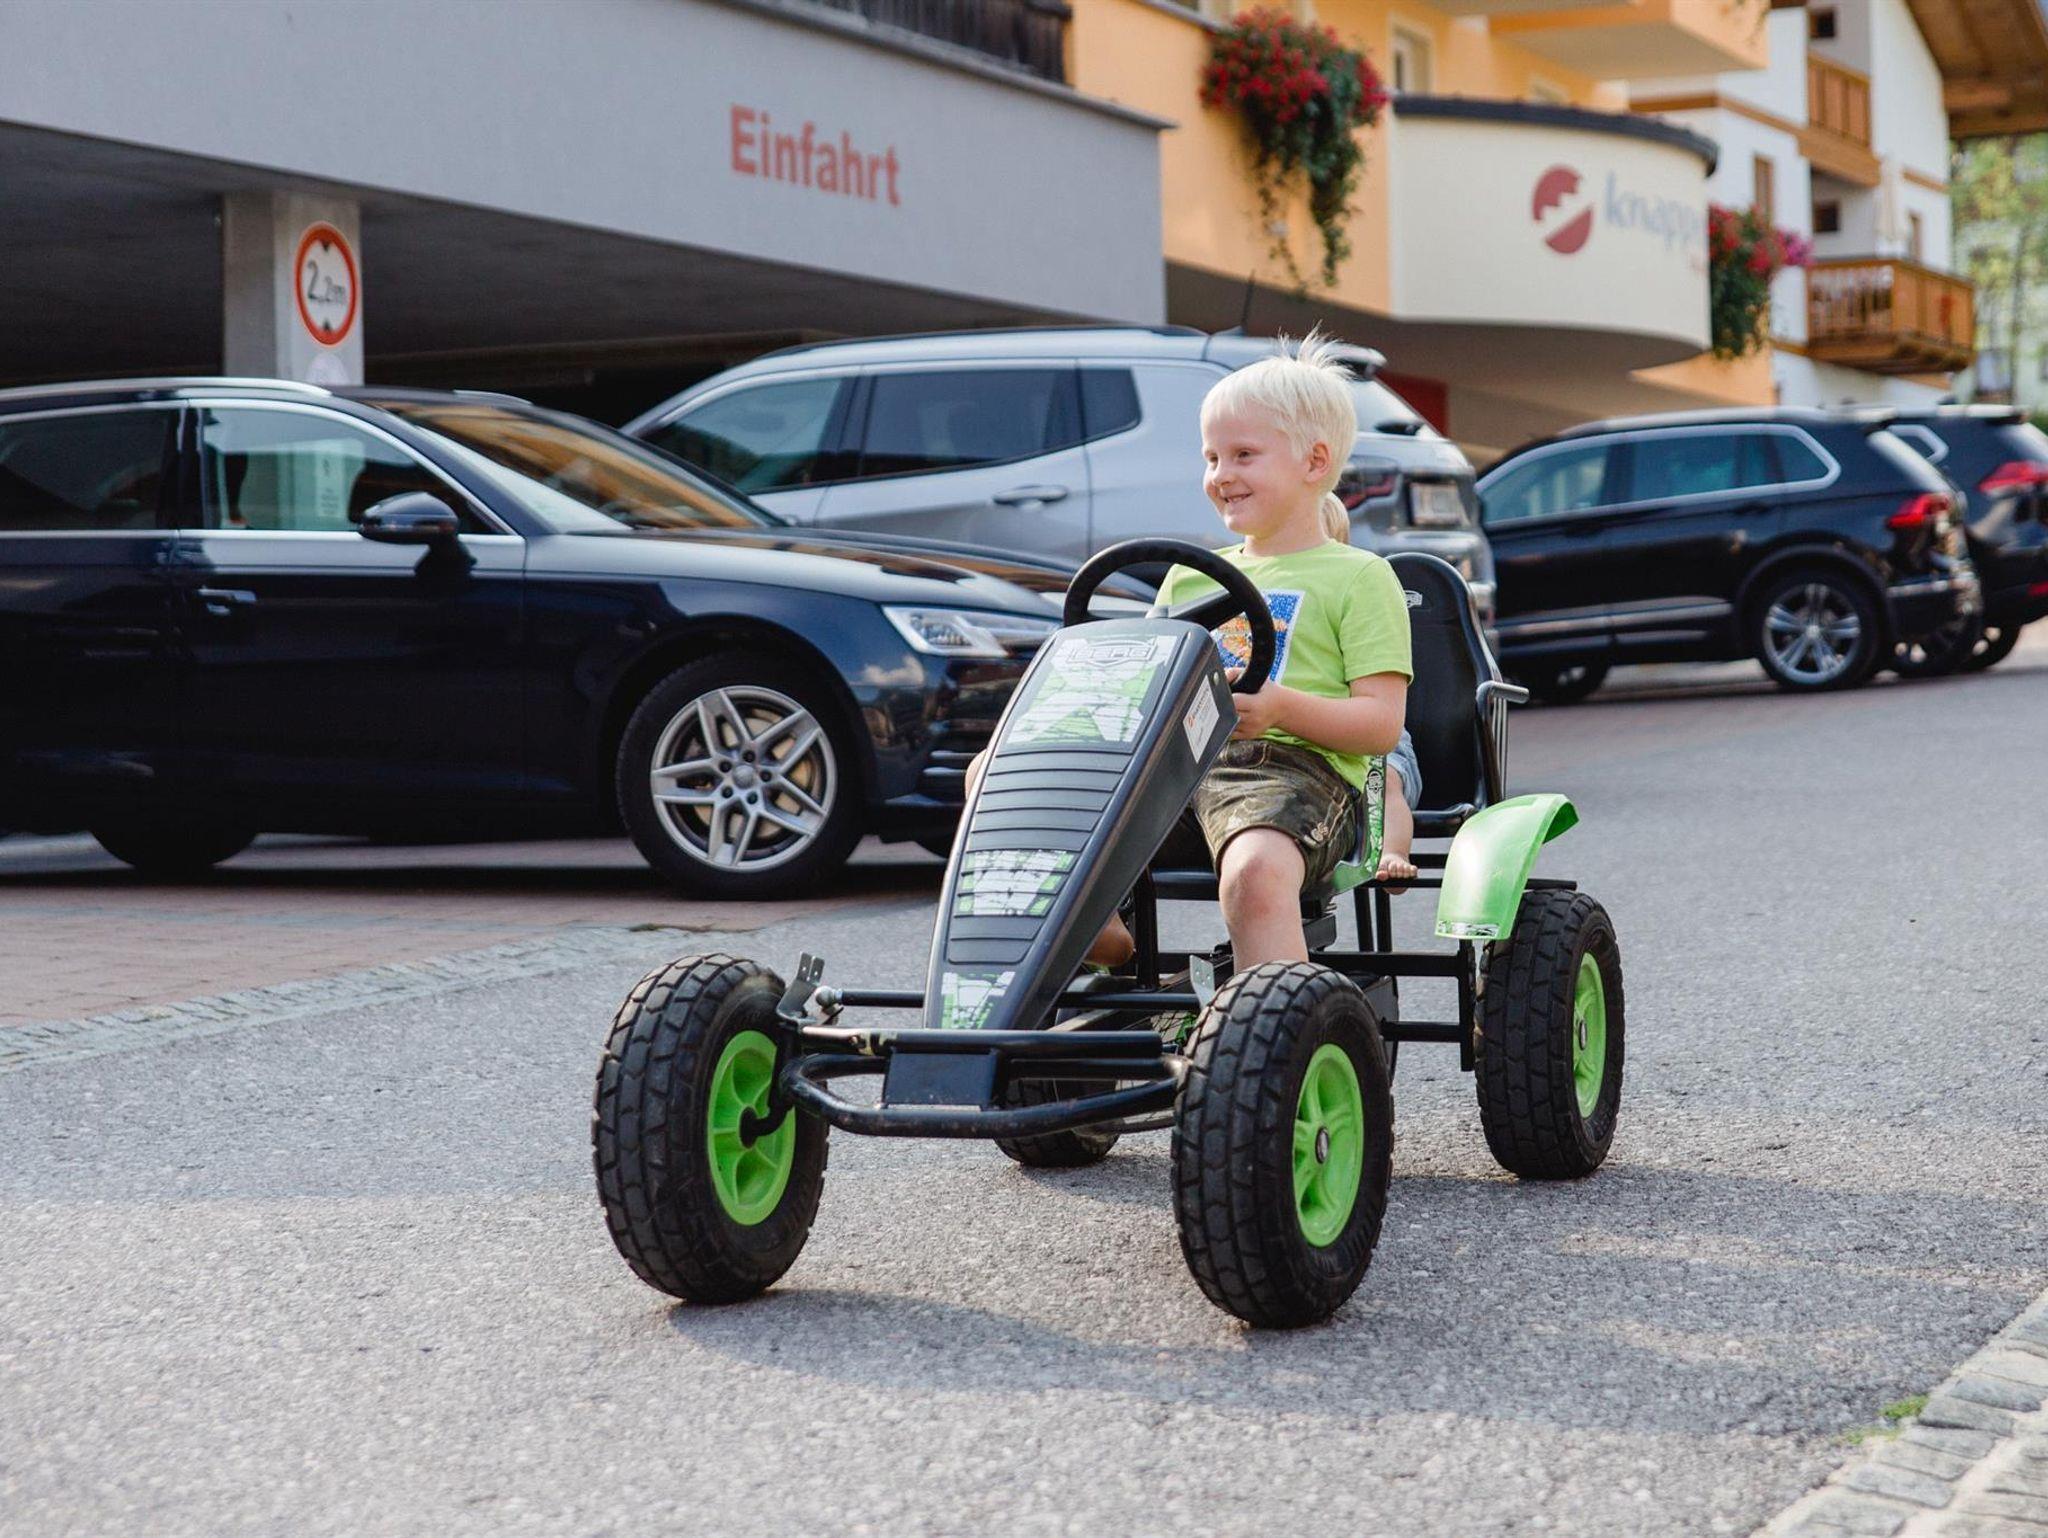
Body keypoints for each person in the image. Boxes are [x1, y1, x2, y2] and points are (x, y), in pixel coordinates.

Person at [1096, 329, 1415, 966]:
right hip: (1182, 773)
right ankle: (1098, 936)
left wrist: (1279, 708)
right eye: (1212, 458)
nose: (1221, 476)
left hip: (1299, 776)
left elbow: (1381, 726)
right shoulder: (1189, 576)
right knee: (1004, 779)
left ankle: (1272, 1017)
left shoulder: (1360, 576)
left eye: (1243, 455)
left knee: (1254, 872)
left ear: (1315, 463)